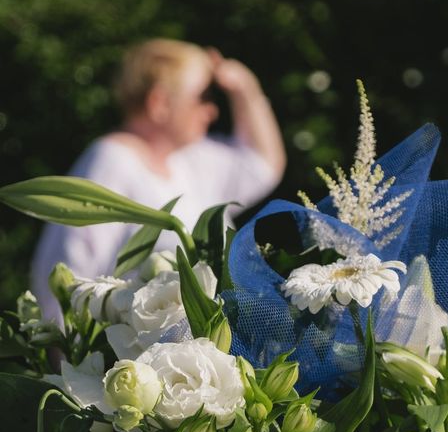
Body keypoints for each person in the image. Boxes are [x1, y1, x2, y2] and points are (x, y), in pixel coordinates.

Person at [31, 38, 286, 327]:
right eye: (203, 97)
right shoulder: (111, 162)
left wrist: (245, 90)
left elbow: (263, 165)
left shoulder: (189, 159)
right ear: (160, 102)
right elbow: (64, 275)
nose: (212, 111)